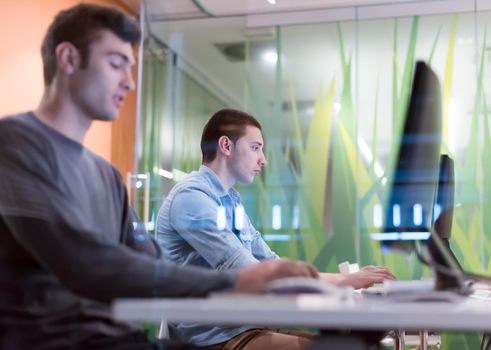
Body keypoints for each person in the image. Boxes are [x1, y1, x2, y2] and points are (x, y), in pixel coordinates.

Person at [0, 4, 318, 350]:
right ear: (68, 58)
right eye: (116, 63)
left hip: (122, 340)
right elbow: (86, 263)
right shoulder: (14, 143)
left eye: (131, 67)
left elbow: (148, 262)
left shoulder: (104, 174)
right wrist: (235, 281)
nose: (129, 81)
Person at [156, 109, 396, 349]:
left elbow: (270, 262)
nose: (263, 158)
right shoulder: (192, 198)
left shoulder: (230, 200)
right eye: (255, 147)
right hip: (213, 338)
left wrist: (346, 280)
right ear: (226, 146)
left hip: (243, 327)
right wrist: (336, 286)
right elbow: (247, 271)